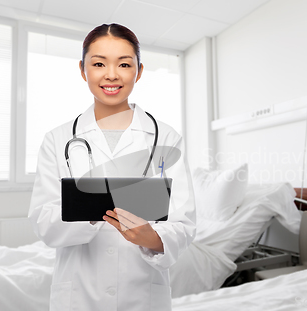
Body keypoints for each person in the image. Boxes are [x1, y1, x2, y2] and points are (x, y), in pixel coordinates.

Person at [28, 23, 196, 311]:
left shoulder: (166, 138)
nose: (111, 74)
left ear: (139, 72)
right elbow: (43, 221)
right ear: (83, 70)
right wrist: (89, 211)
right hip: (79, 295)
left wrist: (153, 238)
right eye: (98, 63)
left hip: (142, 296)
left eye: (124, 64)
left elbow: (184, 222)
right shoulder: (57, 139)